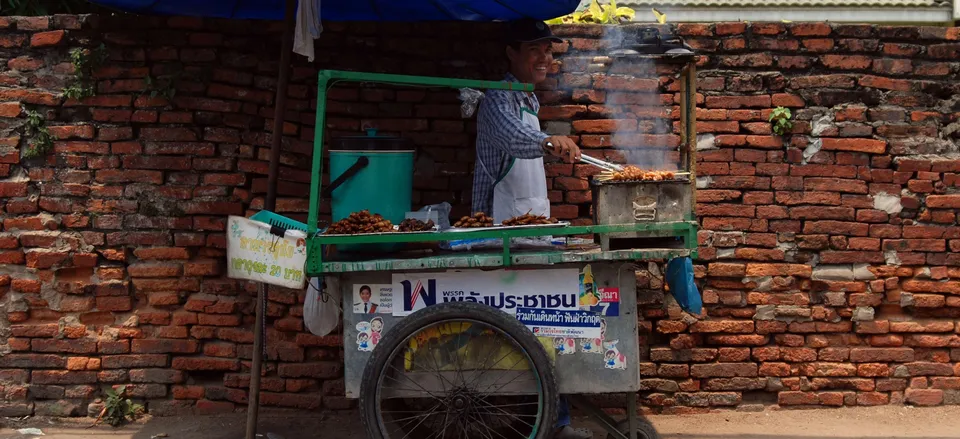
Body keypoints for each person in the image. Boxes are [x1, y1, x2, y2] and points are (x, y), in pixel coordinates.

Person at [471, 18, 591, 439]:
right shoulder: (498, 99)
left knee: (543, 326)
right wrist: (546, 142)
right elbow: (513, 138)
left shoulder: (528, 100)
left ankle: (547, 420)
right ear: (511, 52)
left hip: (529, 229)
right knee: (522, 330)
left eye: (550, 50)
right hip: (498, 232)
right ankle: (547, 422)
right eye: (535, 49)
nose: (546, 57)